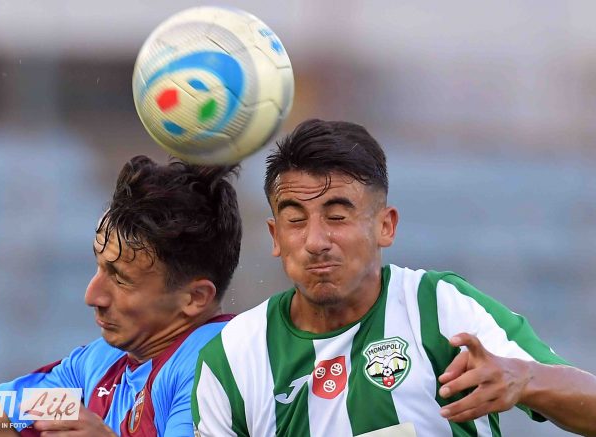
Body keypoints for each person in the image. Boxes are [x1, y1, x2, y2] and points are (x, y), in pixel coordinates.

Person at [192, 119, 596, 436]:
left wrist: (525, 378)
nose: (315, 241)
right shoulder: (233, 354)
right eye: (295, 220)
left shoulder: (440, 307)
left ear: (385, 226)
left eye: (337, 216)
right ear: (275, 236)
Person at [0, 155, 242, 436]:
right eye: (99, 266)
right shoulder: (96, 364)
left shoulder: (219, 367)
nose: (92, 296)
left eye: (121, 279)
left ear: (195, 297)